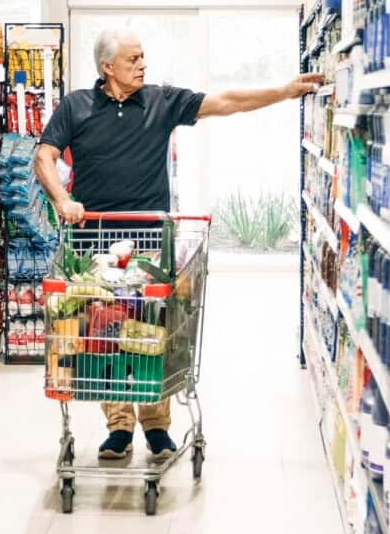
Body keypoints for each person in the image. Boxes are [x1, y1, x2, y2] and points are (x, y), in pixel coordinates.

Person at [34, 28, 321, 466]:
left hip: (150, 242)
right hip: (92, 242)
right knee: (104, 334)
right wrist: (62, 199)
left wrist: (283, 91)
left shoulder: (160, 101)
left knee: (150, 331)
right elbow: (44, 157)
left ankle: (155, 424)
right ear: (107, 67)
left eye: (143, 56)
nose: (143, 64)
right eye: (133, 59)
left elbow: (224, 102)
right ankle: (118, 427)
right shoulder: (75, 106)